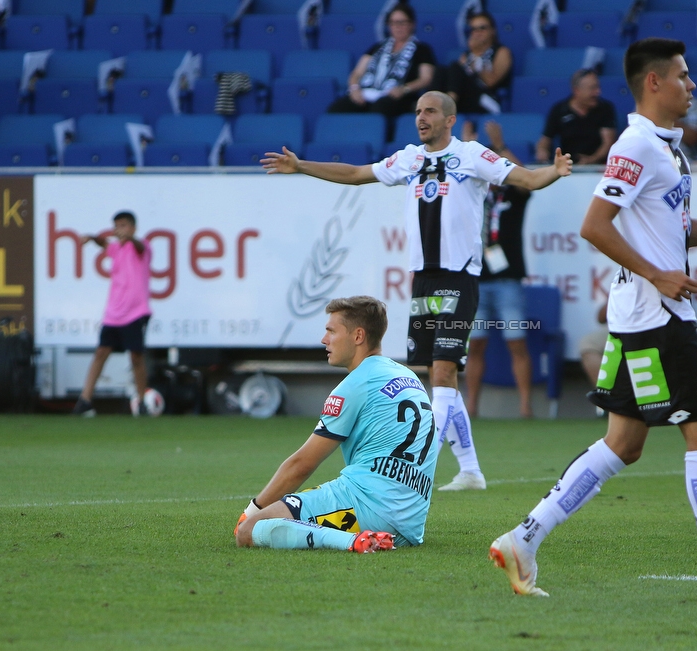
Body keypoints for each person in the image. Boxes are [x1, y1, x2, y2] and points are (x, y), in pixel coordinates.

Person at [489, 37, 697, 602]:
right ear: (653, 83)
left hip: (645, 317)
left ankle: (523, 538)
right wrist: (658, 275)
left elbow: (673, 229)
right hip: (659, 318)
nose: (692, 84)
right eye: (682, 76)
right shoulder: (636, 145)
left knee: (624, 442)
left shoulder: (666, 148)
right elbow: (595, 225)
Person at [261, 91, 572, 492]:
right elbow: (357, 174)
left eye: (429, 111)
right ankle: (471, 471)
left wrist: (555, 170)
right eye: (417, 112)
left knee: (442, 370)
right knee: (437, 374)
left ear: (449, 119)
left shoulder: (473, 155)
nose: (420, 118)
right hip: (423, 280)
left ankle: (420, 461)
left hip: (458, 277)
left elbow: (527, 179)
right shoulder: (410, 158)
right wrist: (301, 165)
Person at [235, 296, 435, 553]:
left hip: (367, 508)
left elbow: (301, 465)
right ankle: (366, 537)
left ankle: (353, 541)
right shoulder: (409, 377)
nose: (324, 339)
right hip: (411, 525)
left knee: (249, 531)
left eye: (331, 331)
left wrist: (252, 511)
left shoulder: (354, 385)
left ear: (358, 336)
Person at [460, 119, 533, 419]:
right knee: (474, 346)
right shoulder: (471, 193)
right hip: (475, 279)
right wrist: (466, 146)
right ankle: (472, 408)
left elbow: (527, 178)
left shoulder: (512, 194)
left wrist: (501, 147)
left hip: (507, 280)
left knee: (517, 343)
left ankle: (526, 408)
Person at [72, 211, 151, 417]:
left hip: (135, 311)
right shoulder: (116, 248)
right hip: (114, 313)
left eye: (124, 225)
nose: (119, 230)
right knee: (101, 353)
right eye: (117, 226)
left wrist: (130, 238)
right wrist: (91, 238)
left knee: (136, 356)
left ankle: (141, 402)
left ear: (133, 228)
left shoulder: (140, 247)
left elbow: (140, 246)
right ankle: (85, 399)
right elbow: (104, 244)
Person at [327, 3, 436, 122]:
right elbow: (357, 72)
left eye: (402, 22)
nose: (397, 27)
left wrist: (404, 89)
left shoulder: (422, 49)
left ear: (412, 24)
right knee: (337, 108)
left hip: (396, 97)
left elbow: (426, 78)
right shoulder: (377, 48)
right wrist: (354, 89)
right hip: (367, 92)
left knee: (380, 108)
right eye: (393, 23)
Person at [535, 69, 617, 166]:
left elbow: (608, 142)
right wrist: (542, 151)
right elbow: (546, 139)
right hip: (568, 166)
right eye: (592, 88)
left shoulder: (605, 108)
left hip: (598, 166)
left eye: (598, 87)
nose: (598, 92)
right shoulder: (560, 110)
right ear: (576, 90)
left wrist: (591, 160)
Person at [446, 11, 513, 115]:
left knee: (456, 67)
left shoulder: (502, 52)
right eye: (474, 29)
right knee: (442, 71)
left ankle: (448, 105)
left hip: (487, 99)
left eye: (482, 28)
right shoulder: (467, 54)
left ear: (492, 30)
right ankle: (434, 106)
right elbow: (456, 80)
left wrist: (476, 54)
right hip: (466, 99)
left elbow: (490, 82)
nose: (478, 32)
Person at [676, 94, 697, 161]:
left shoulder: (690, 103)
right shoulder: (647, 104)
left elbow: (693, 138)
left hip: (683, 162)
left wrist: (667, 117)